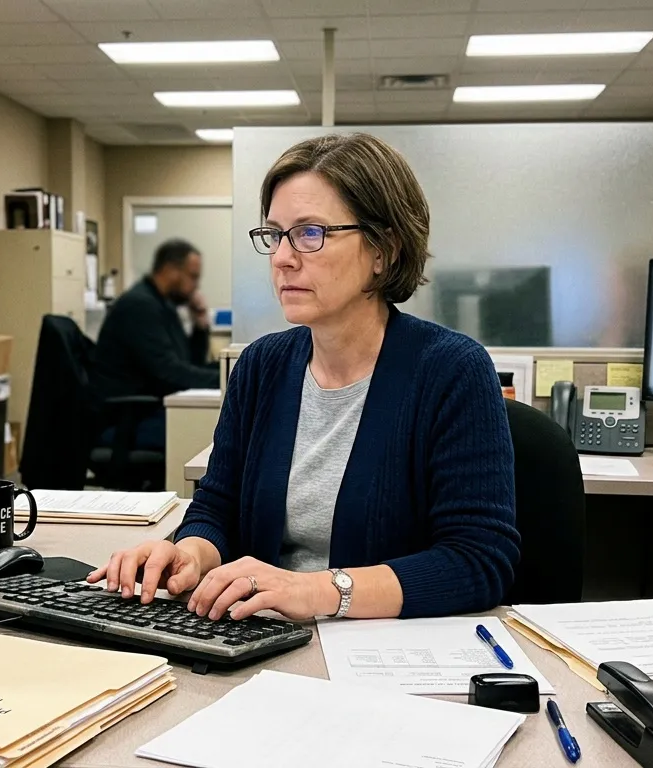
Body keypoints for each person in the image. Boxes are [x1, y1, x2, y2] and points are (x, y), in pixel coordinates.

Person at [87, 133, 520, 621]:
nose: (282, 257)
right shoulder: (260, 366)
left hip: (383, 656)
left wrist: (318, 591)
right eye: (275, 234)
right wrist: (189, 554)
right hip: (260, 639)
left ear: (384, 250)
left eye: (310, 233)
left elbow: (479, 561)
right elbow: (217, 508)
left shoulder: (451, 370)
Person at [91, 238, 220, 450]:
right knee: (206, 432)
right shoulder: (140, 306)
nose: (196, 285)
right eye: (193, 277)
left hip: (147, 411)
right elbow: (170, 373)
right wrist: (227, 379)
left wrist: (200, 325)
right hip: (126, 420)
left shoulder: (162, 306)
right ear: (170, 270)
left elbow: (189, 364)